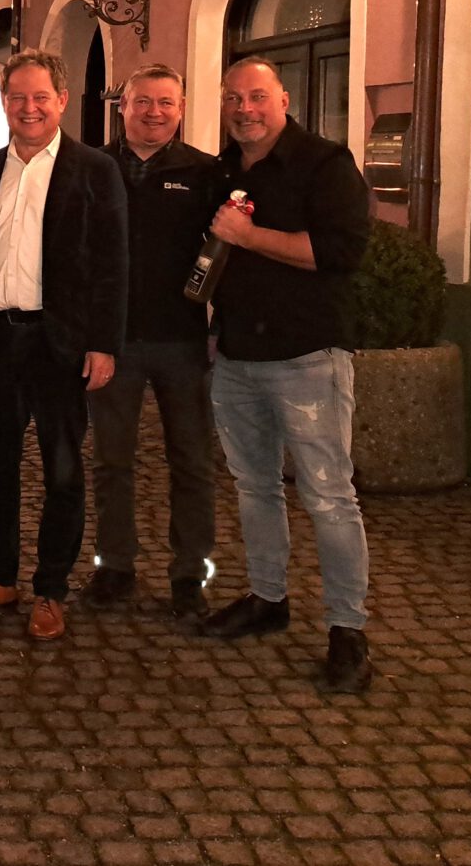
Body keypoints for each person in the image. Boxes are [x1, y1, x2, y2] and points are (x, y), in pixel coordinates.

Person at [199, 58, 374, 694]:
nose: (245, 108)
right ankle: (268, 599)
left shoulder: (325, 164)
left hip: (307, 359)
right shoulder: (224, 168)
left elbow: (340, 252)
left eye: (257, 97)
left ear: (284, 99)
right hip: (238, 357)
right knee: (254, 487)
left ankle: (347, 630)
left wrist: (249, 236)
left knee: (329, 496)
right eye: (233, 99)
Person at [0, 51, 128, 641]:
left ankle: (51, 588)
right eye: (17, 97)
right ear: (3, 102)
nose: (28, 108)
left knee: (63, 472)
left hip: (62, 347)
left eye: (39, 97)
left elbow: (112, 264)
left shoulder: (95, 170)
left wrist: (103, 343)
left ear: (62, 101)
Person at [82, 64, 222, 621]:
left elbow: (223, 254)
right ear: (123, 106)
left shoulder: (206, 172)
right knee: (112, 460)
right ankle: (115, 564)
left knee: (191, 459)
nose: (154, 112)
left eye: (166, 103)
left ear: (181, 109)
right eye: (143, 102)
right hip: (111, 342)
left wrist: (218, 327)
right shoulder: (94, 168)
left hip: (182, 342)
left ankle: (191, 571)